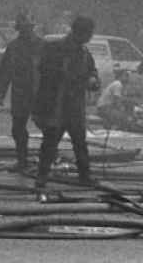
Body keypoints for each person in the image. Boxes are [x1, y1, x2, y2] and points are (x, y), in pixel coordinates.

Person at [33, 16, 102, 188]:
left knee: (80, 142)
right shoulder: (55, 48)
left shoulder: (85, 53)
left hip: (75, 106)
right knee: (50, 142)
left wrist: (93, 80)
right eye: (88, 33)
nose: (90, 37)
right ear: (79, 32)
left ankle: (84, 176)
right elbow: (44, 72)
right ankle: (41, 177)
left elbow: (92, 71)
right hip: (56, 104)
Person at [0, 12, 44, 171]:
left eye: (27, 28)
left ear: (32, 28)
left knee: (48, 128)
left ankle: (47, 160)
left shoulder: (42, 46)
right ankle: (22, 160)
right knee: (18, 128)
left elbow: (51, 70)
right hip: (20, 94)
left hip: (39, 94)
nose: (25, 31)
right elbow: (5, 71)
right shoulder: (14, 47)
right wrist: (0, 93)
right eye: (22, 28)